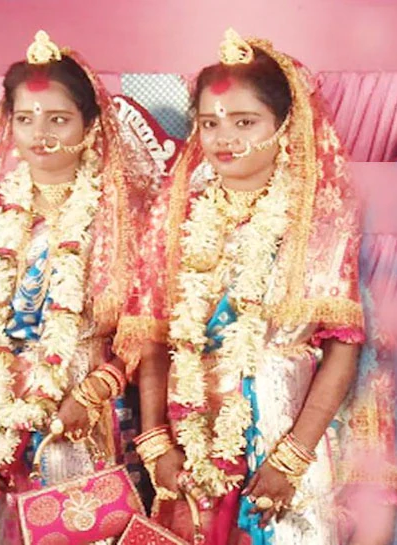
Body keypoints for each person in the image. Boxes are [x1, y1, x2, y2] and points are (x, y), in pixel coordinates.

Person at [122, 29, 365, 545]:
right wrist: (156, 442)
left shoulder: (318, 220)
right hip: (191, 443)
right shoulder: (175, 217)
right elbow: (155, 340)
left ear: (284, 125)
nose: (224, 137)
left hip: (284, 433)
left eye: (245, 121)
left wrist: (292, 457)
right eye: (210, 123)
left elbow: (343, 347)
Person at [0, 30, 159, 544]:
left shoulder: (121, 214)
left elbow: (143, 334)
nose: (39, 133)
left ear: (89, 127)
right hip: (2, 407)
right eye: (25, 118)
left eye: (58, 119)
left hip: (86, 409)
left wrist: (91, 393)